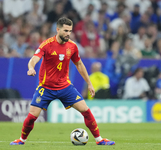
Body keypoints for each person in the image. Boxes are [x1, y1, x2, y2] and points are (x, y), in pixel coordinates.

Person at [10, 17, 115, 146]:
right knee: (32, 116)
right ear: (58, 29)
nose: (68, 34)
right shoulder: (47, 44)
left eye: (70, 31)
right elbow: (34, 58)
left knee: (86, 111)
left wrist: (89, 83)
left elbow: (80, 65)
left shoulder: (72, 46)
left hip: (65, 87)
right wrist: (31, 68)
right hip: (46, 88)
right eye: (65, 30)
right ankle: (21, 140)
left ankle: (99, 140)